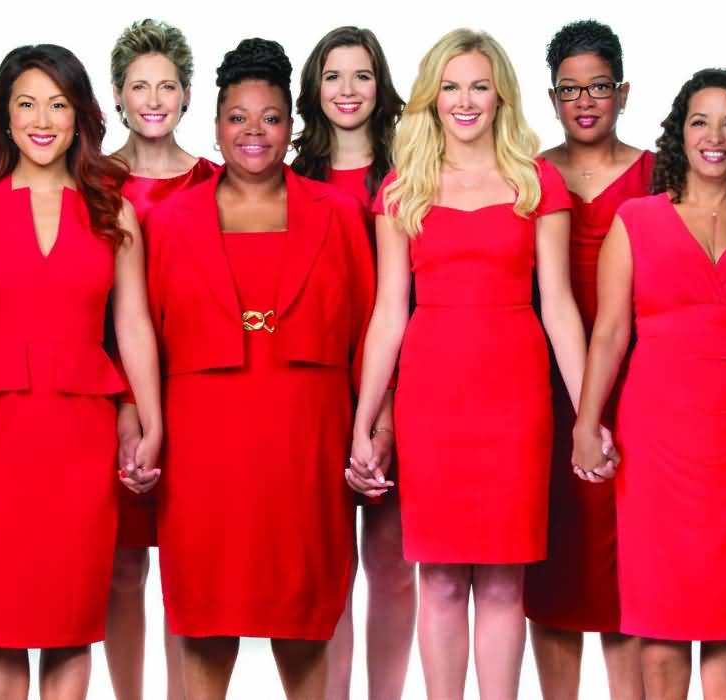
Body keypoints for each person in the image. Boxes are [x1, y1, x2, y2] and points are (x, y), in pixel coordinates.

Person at [350, 28, 591, 700]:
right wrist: (364, 421)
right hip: (432, 399)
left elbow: (561, 308)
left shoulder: (534, 180)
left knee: (506, 578)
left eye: (478, 86)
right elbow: (388, 315)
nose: (465, 100)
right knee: (443, 577)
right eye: (451, 87)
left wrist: (589, 414)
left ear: (500, 97)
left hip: (515, 398)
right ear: (431, 100)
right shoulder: (404, 189)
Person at [0, 44, 162, 700]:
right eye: (26, 103)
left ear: (81, 116)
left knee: (69, 623)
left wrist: (151, 420)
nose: (42, 118)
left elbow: (133, 325)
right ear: (4, 115)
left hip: (84, 433)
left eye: (58, 103)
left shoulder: (115, 213)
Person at [572, 68, 726, 700]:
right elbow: (609, 333)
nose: (715, 136)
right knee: (660, 621)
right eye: (700, 121)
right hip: (656, 444)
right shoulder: (636, 220)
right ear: (680, 134)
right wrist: (584, 423)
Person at [146, 37, 375, 700]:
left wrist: (375, 431)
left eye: (270, 118)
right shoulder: (167, 222)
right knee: (204, 620)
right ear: (214, 126)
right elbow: (141, 340)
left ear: (291, 127)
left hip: (307, 448)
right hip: (202, 453)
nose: (254, 132)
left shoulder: (339, 215)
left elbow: (368, 334)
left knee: (304, 619)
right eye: (238, 117)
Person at [523, 19, 648, 700]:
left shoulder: (662, 172)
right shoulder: (529, 174)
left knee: (625, 560)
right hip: (541, 383)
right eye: (570, 90)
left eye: (599, 86)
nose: (586, 101)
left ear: (623, 91)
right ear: (551, 97)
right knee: (557, 561)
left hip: (639, 378)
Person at [291, 25, 413, 700]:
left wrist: (386, 409)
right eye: (333, 76)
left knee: (392, 564)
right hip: (315, 388)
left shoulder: (410, 171)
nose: (347, 90)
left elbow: (408, 299)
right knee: (327, 566)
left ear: (380, 86)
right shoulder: (290, 174)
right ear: (314, 88)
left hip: (401, 385)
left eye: (361, 75)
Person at [105, 21, 217, 698]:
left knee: (188, 563)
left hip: (196, 389)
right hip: (109, 386)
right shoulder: (90, 179)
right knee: (121, 566)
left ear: (186, 95)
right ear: (117, 96)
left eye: (167, 86)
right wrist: (124, 404)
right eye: (139, 87)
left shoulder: (215, 180)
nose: (154, 99)